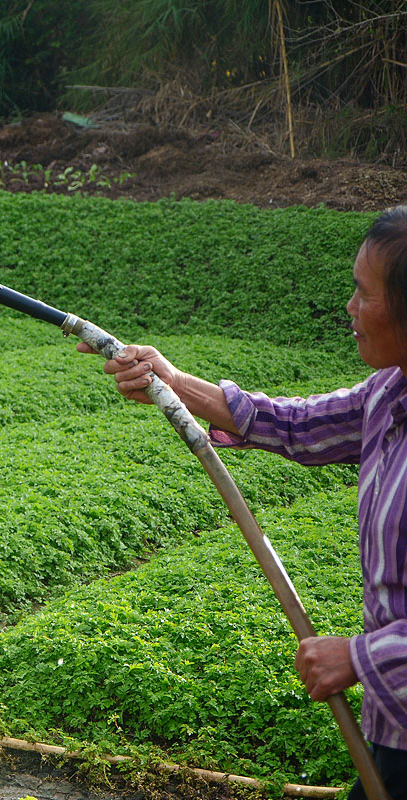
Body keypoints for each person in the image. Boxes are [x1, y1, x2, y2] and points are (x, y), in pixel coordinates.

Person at [77, 206, 407, 798]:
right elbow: (301, 423)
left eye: (364, 293)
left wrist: (363, 657)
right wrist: (174, 384)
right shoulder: (391, 391)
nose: (350, 309)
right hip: (396, 726)